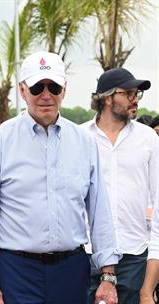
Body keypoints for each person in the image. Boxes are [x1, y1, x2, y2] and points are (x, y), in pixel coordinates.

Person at [0, 51, 122, 304]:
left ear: (65, 90)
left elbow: (99, 211)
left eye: (54, 87)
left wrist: (108, 276)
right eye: (37, 87)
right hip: (16, 271)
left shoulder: (84, 142)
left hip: (71, 270)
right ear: (22, 90)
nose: (46, 95)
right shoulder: (2, 141)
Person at [83, 67, 154, 304]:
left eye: (137, 94)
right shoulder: (79, 137)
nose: (135, 100)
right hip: (86, 253)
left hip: (132, 255)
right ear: (107, 97)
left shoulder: (148, 139)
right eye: (129, 93)